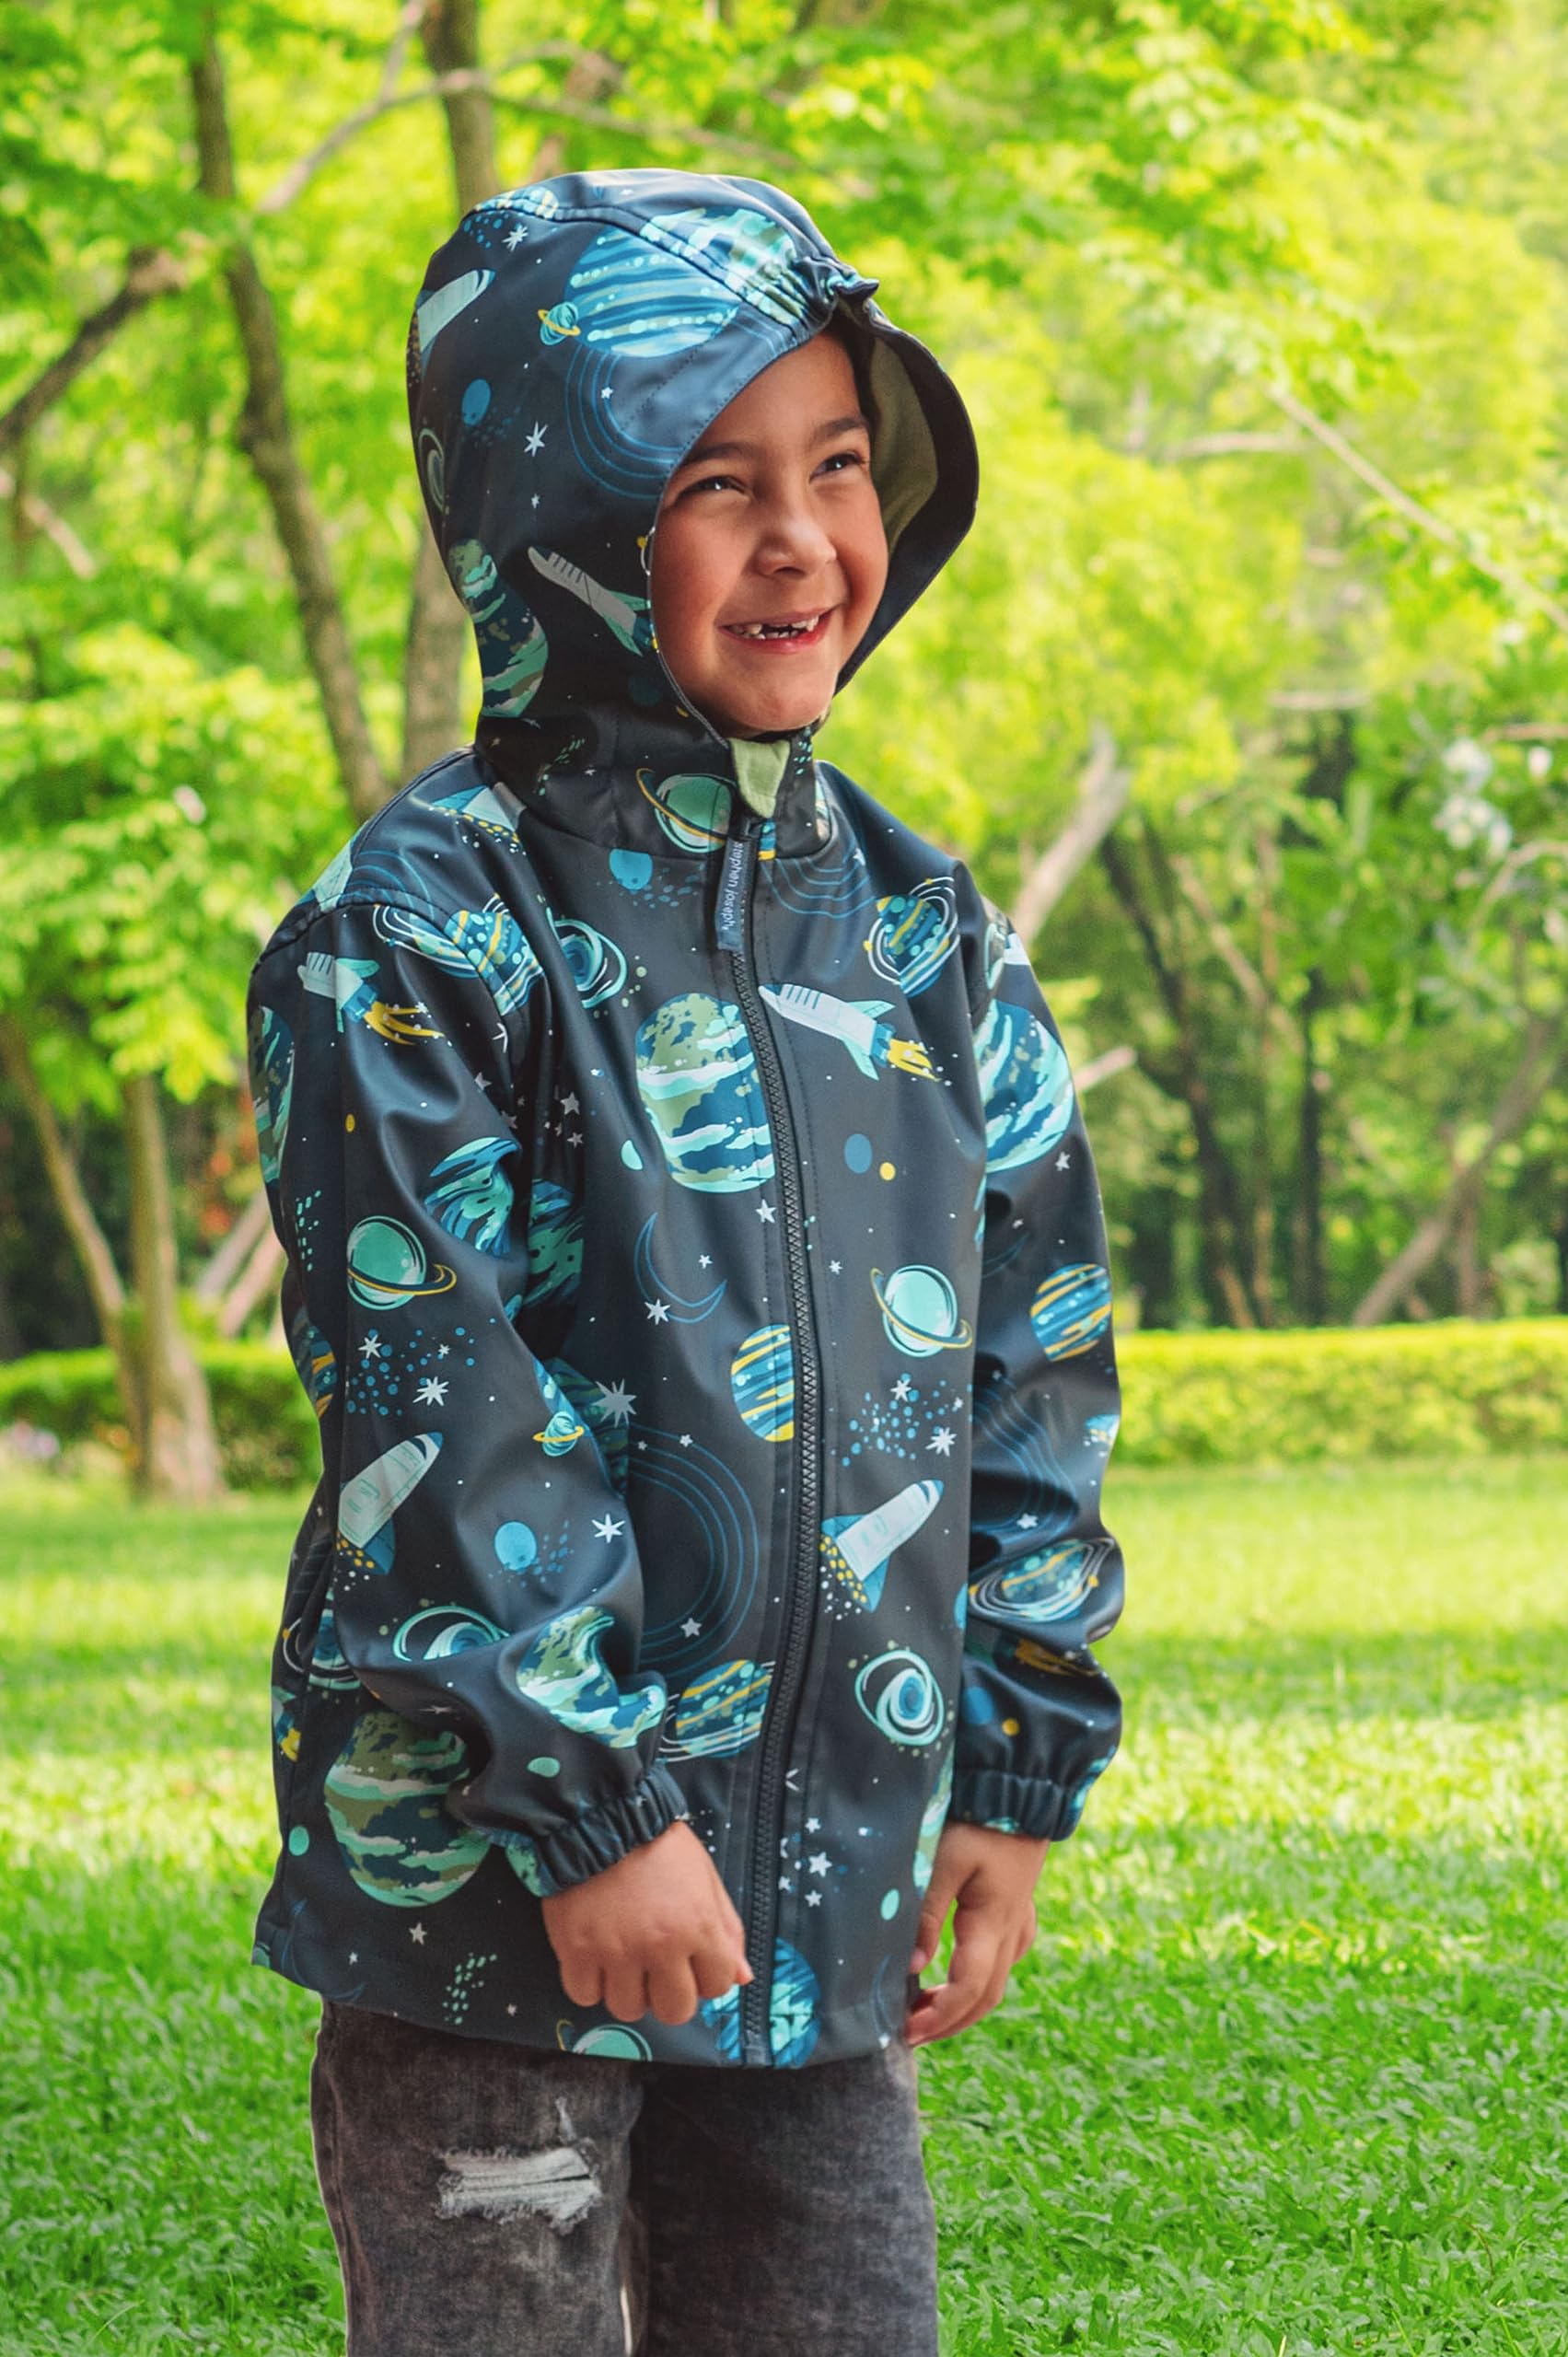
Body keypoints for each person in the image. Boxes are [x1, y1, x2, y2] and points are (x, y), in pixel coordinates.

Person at [246, 168, 1126, 2357]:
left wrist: (1011, 1764)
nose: (804, 539)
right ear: (556, 518)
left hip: (826, 1896)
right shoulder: (418, 932)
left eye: (840, 466)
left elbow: (1032, 1365)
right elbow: (438, 1409)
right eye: (714, 484)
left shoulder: (927, 936)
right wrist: (594, 1810)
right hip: (496, 1909)